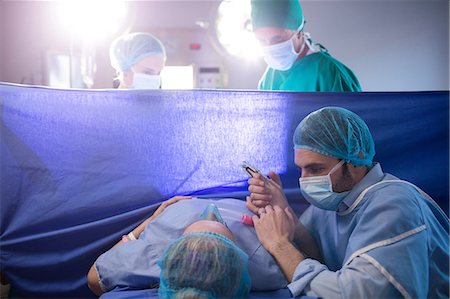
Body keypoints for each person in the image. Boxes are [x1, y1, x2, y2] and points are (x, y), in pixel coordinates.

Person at [246, 107, 449, 298]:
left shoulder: (394, 204)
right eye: (301, 169)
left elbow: (356, 294)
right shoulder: (336, 198)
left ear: (354, 161)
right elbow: (319, 256)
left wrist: (279, 245)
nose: (305, 180)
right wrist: (284, 212)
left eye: (315, 169)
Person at [87, 196, 310, 297]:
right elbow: (312, 271)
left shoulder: (150, 253)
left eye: (190, 228)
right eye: (224, 228)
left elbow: (95, 279)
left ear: (167, 261)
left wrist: (149, 222)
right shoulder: (269, 269)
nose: (211, 210)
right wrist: (283, 237)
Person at [250, 0, 361, 92]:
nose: (271, 47)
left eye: (278, 38)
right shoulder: (268, 79)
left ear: (299, 33)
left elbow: (350, 117)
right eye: (261, 40)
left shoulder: (331, 74)